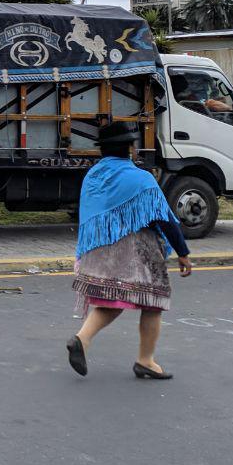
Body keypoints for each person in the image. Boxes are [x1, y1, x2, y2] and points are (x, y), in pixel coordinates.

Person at [66, 121, 193, 379]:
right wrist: (182, 251)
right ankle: (145, 360)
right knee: (153, 301)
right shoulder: (141, 178)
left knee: (111, 300)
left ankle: (82, 338)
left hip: (98, 250)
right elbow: (164, 218)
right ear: (130, 148)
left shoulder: (94, 176)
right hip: (135, 251)